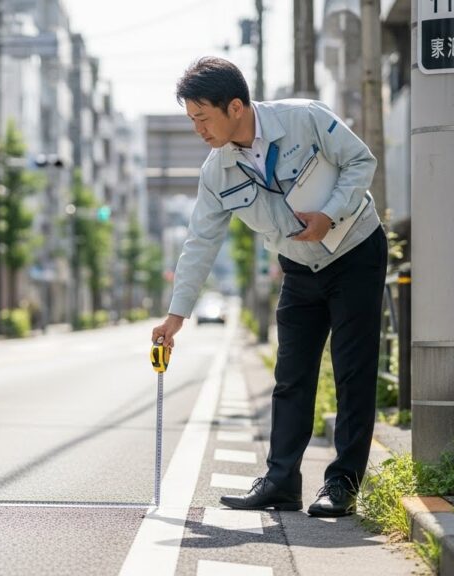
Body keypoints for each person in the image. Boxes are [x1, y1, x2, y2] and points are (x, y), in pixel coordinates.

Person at [150, 57, 387, 517]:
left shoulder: (306, 117)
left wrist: (331, 213)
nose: (198, 129)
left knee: (352, 371)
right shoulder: (216, 172)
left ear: (235, 106)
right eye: (191, 120)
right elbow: (200, 242)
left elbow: (361, 160)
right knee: (291, 375)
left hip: (355, 252)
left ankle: (342, 485)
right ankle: (281, 482)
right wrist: (175, 317)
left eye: (203, 117)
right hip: (299, 267)